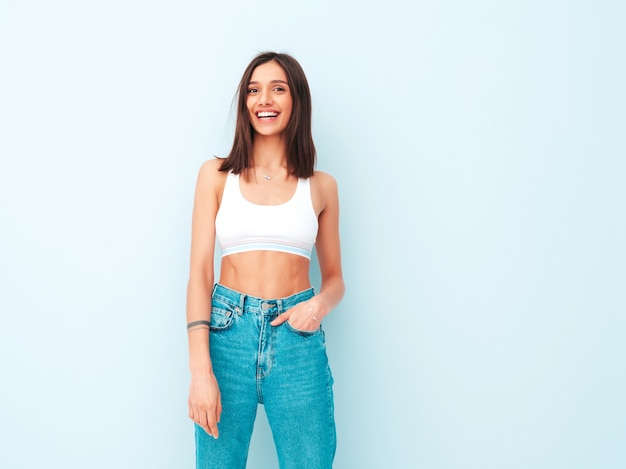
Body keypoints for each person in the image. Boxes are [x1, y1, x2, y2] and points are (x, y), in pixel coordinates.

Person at [185, 51, 345, 469]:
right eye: (254, 91)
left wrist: (318, 306)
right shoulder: (216, 175)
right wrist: (201, 372)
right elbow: (200, 274)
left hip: (297, 341)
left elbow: (334, 280)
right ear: (244, 103)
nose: (264, 100)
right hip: (226, 335)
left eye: (278, 89)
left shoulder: (322, 186)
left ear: (296, 100)